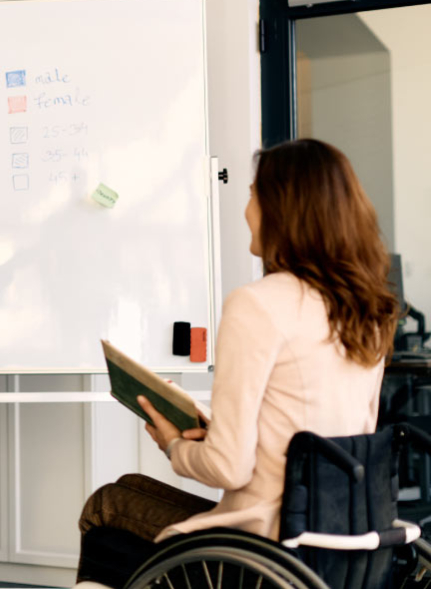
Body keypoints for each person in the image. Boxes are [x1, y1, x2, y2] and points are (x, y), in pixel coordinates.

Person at [74, 138, 401, 586]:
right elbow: (321, 428)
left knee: (106, 506)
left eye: (252, 195)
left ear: (282, 207)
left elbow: (229, 468)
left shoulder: (259, 304)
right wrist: (211, 431)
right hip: (338, 540)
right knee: (129, 487)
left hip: (264, 543)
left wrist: (173, 443)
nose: (246, 209)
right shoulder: (368, 309)